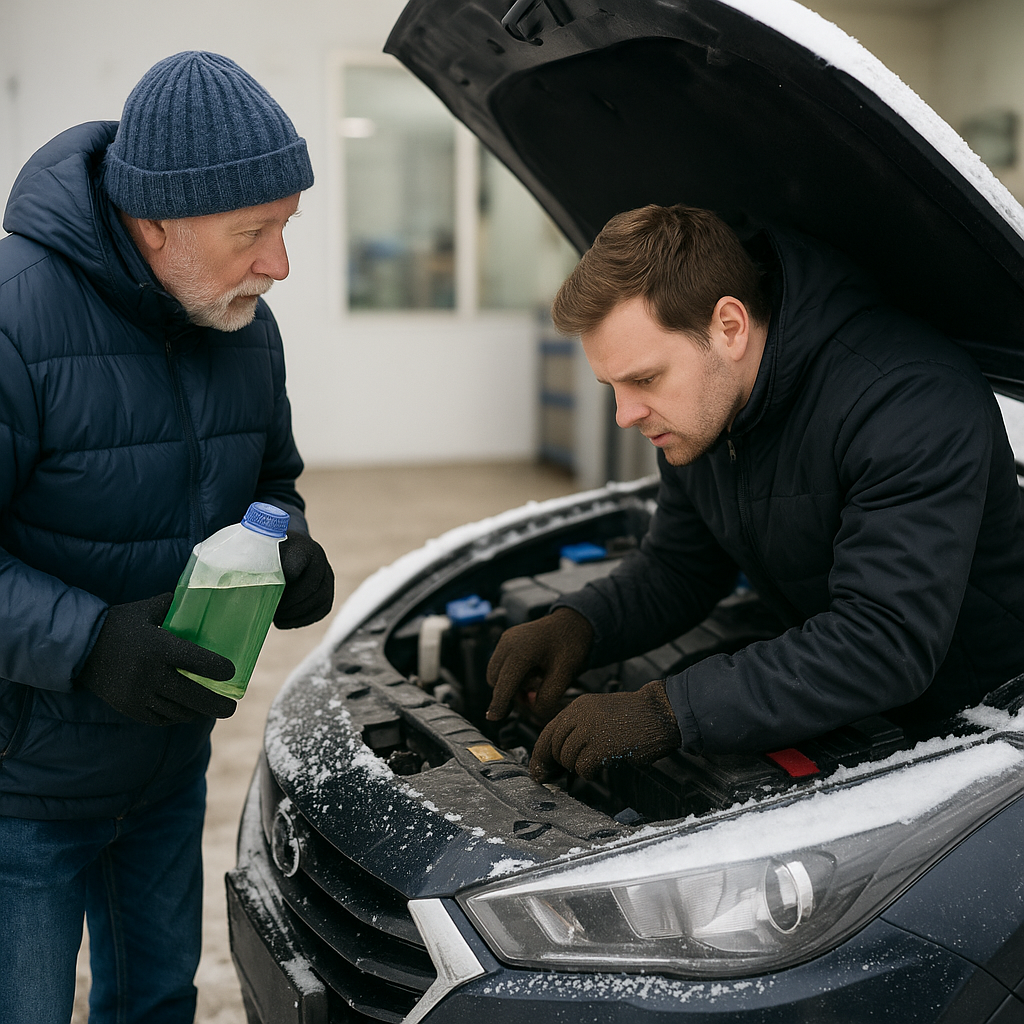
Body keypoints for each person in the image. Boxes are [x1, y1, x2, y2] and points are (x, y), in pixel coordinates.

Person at [0, 52, 335, 1023]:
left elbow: (270, 480)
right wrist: (93, 643)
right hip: (24, 784)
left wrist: (291, 550)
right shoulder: (17, 319)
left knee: (155, 1001)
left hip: (164, 763)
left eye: (284, 227)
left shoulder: (242, 322)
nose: (278, 263)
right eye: (252, 233)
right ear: (156, 224)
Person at [485, 204, 1024, 783]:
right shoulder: (705, 412)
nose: (625, 414)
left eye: (643, 379)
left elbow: (883, 642)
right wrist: (580, 626)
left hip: (979, 737)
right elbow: (682, 567)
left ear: (730, 327)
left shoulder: (909, 400)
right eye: (612, 386)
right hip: (832, 693)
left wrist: (668, 712)